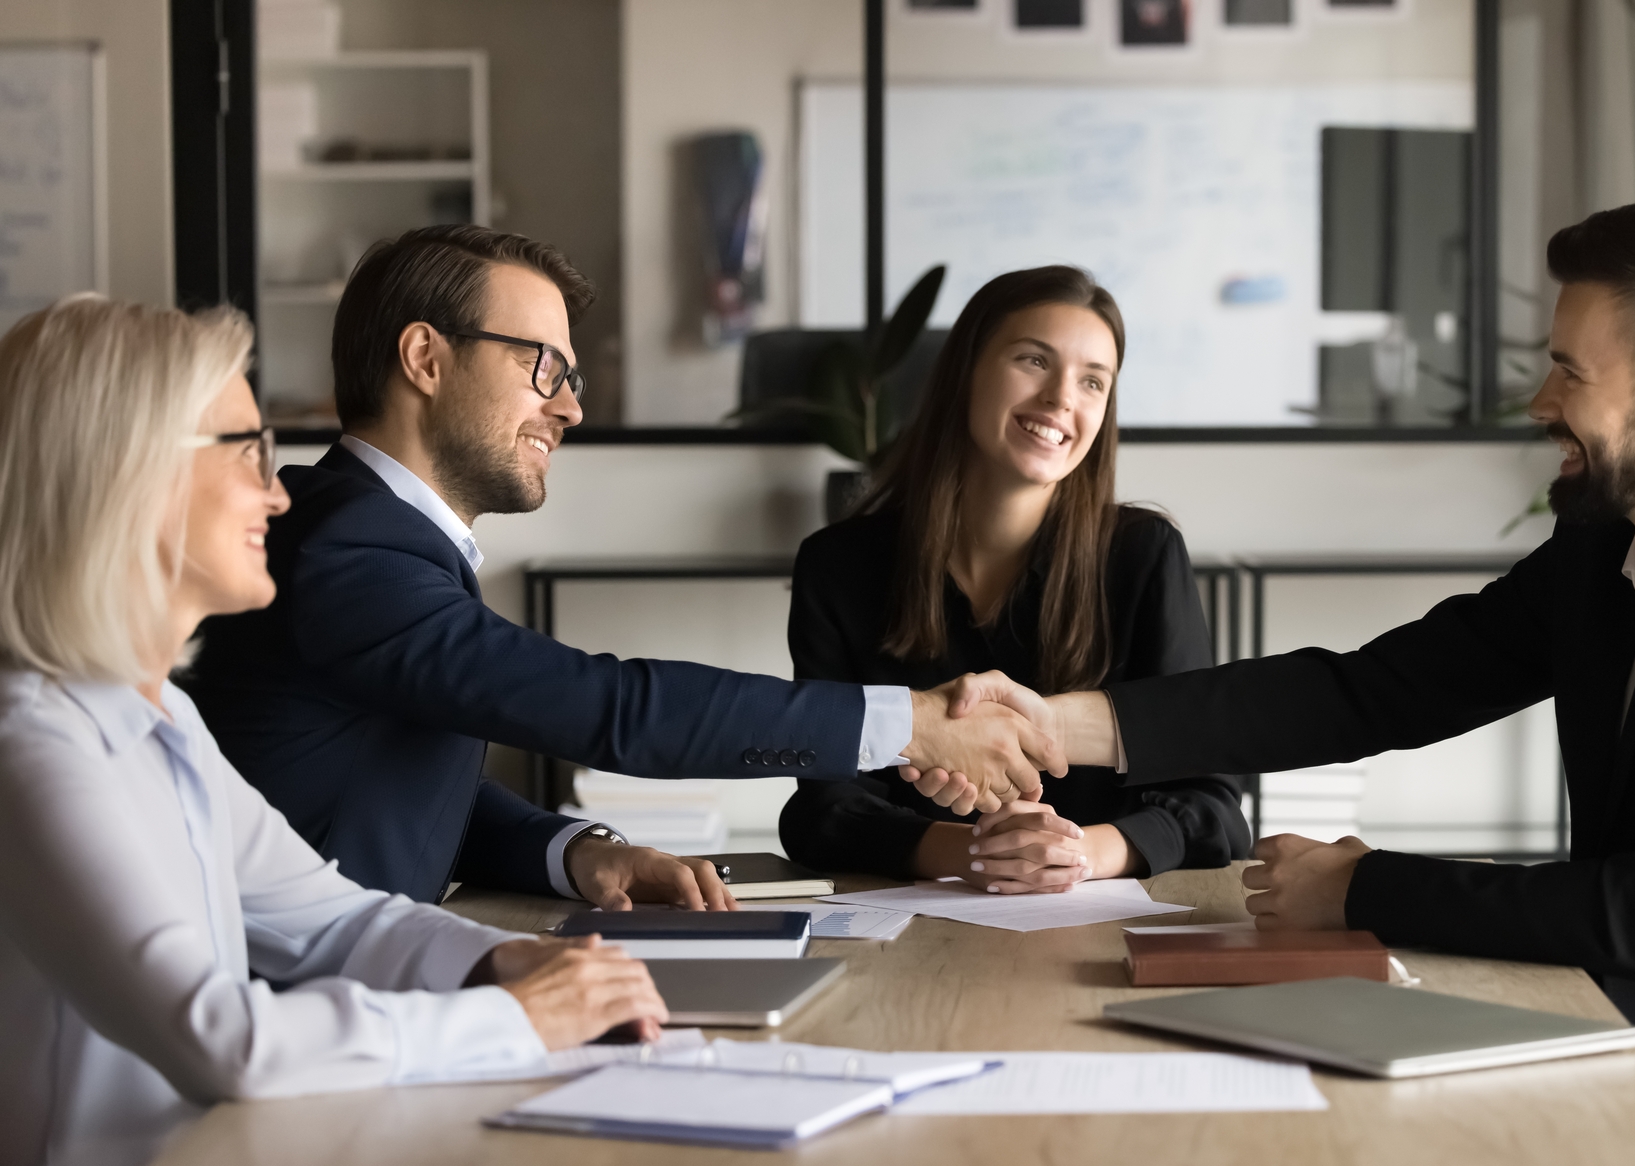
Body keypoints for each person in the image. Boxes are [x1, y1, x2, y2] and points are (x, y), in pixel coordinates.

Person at [946, 199, 1635, 1166]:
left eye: (1569, 370)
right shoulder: (1606, 547)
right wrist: (1057, 724)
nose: (1540, 401)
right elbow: (1376, 690)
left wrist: (1360, 888)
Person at [0, 295, 671, 1166]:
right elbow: (225, 1040)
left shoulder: (160, 719)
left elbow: (335, 919)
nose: (277, 494)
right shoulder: (33, 745)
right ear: (126, 473)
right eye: (248, 453)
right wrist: (513, 1018)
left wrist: (506, 963)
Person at [182, 225, 1059, 913]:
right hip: (296, 1016)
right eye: (543, 367)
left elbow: (400, 780)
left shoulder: (375, 538)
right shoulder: (348, 550)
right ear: (425, 359)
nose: (570, 407)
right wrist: (910, 723)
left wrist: (579, 853)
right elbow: (609, 705)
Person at [780, 267, 1247, 888]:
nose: (1061, 398)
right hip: (916, 915)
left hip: (1100, 909)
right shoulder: (838, 564)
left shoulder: (1143, 554)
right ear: (965, 371)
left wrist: (1075, 853)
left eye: (1092, 381)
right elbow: (821, 807)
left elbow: (1213, 805)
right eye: (1034, 360)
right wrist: (977, 852)